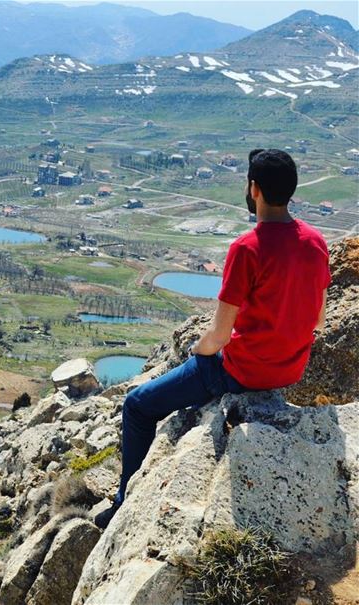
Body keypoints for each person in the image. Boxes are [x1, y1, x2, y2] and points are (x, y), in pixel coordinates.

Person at [93, 148, 331, 530]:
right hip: (290, 370)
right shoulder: (315, 242)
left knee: (138, 405)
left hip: (242, 372)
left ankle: (124, 502)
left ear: (253, 189)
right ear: (291, 190)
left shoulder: (247, 248)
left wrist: (196, 352)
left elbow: (218, 336)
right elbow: (317, 320)